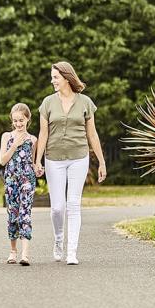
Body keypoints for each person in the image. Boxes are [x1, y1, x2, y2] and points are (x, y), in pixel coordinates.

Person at [33, 62, 107, 265]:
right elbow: (43, 133)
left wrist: (101, 162)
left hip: (79, 158)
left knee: (73, 204)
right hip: (53, 159)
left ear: (66, 77)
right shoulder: (47, 103)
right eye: (52, 77)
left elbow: (92, 134)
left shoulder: (85, 102)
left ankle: (72, 251)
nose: (52, 80)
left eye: (55, 77)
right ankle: (59, 240)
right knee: (57, 207)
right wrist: (38, 160)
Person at [0, 103, 37, 266]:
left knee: (25, 213)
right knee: (13, 215)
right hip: (11, 180)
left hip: (27, 179)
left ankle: (25, 254)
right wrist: (15, 144)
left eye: (21, 120)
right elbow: (2, 161)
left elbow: (34, 162)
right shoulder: (7, 136)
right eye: (15, 121)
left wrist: (38, 168)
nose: (18, 124)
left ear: (27, 119)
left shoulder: (33, 139)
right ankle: (13, 251)